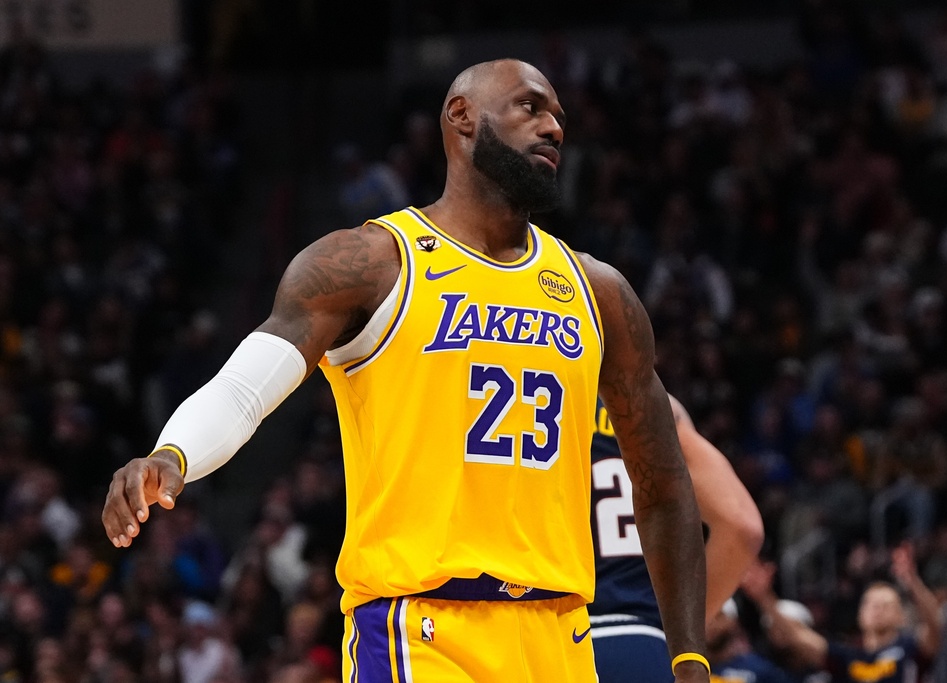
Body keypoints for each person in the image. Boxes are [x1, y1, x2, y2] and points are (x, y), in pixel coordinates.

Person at [101, 59, 711, 682]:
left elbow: (664, 488)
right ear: (462, 117)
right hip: (420, 631)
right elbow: (244, 389)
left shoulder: (599, 291)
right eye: (531, 106)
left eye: (559, 116)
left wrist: (688, 655)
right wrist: (171, 455)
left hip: (560, 637)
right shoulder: (371, 264)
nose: (553, 126)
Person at [590, 396, 764, 682]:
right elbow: (742, 527)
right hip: (645, 645)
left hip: (552, 632)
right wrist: (679, 631)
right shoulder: (656, 404)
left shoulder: (535, 382)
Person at [741, 543, 942, 683]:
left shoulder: (911, 649)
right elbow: (797, 637)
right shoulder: (847, 655)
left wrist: (913, 582)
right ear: (859, 615)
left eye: (886, 605)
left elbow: (936, 625)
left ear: (901, 616)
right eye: (870, 604)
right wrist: (764, 598)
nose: (877, 609)